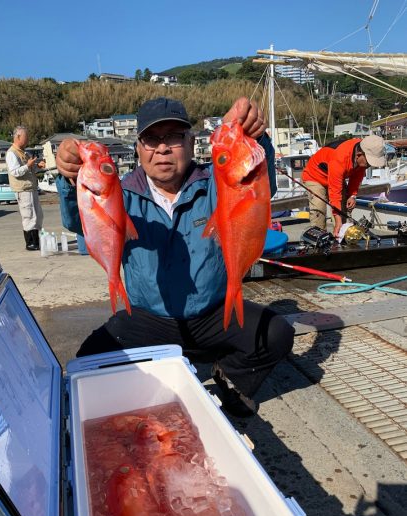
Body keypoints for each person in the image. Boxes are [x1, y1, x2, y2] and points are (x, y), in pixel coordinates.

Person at [56, 96, 294, 418]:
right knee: (90, 359)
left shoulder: (215, 181)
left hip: (212, 313)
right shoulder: (119, 190)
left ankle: (230, 377)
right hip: (148, 316)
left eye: (174, 137)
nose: (163, 148)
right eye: (152, 139)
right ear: (139, 148)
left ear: (191, 142)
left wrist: (254, 137)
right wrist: (71, 179)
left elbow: (254, 178)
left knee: (277, 334)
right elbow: (76, 220)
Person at [301, 135, 386, 237]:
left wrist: (352, 195)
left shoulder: (364, 148)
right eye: (368, 162)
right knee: (319, 209)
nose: (369, 165)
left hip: (335, 176)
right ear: (359, 155)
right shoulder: (340, 159)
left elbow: (357, 176)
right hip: (314, 176)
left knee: (344, 209)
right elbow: (335, 193)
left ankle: (342, 237)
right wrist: (337, 221)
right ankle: (318, 238)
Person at [6, 126, 45, 251]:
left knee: (38, 215)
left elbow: (31, 168)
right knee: (28, 215)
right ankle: (30, 243)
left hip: (31, 188)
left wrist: (38, 166)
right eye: (25, 137)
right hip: (23, 190)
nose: (27, 140)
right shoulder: (12, 153)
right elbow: (15, 172)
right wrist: (28, 166)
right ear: (18, 137)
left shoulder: (25, 153)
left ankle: (37, 240)